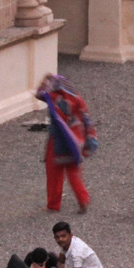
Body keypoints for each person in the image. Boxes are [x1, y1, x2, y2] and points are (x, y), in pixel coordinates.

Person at [36, 74, 97, 214]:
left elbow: (38, 94)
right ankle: (83, 199)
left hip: (57, 142)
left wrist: (45, 81)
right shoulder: (77, 100)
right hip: (75, 142)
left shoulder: (54, 98)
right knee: (74, 174)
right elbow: (86, 119)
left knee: (54, 175)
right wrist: (89, 139)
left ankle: (53, 204)